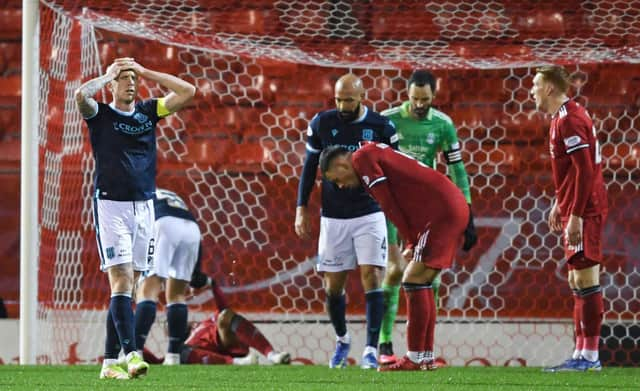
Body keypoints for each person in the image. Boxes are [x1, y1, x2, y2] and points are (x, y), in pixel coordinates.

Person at [75, 57, 195, 379]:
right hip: (111, 206)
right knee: (122, 280)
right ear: (113, 85)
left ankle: (108, 363)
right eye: (123, 79)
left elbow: (187, 91)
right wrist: (106, 75)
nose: (130, 83)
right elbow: (79, 96)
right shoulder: (100, 115)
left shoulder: (147, 113)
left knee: (127, 287)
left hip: (144, 208)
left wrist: (146, 70)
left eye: (133, 79)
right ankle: (131, 354)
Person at [319, 142, 469, 371]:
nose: (339, 186)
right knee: (422, 281)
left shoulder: (362, 160)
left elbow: (388, 203)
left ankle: (416, 357)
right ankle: (425, 356)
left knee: (413, 280)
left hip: (441, 210)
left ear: (341, 164)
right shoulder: (368, 154)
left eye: (336, 179)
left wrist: (410, 238)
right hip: (447, 204)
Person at [294, 74, 398, 369]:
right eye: (339, 99)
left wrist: (398, 213)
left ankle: (370, 351)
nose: (342, 105)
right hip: (333, 216)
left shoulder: (381, 127)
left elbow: (396, 171)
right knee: (333, 286)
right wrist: (301, 207)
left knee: (372, 276)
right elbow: (309, 167)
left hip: (370, 211)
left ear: (362, 96)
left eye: (349, 100)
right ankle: (342, 340)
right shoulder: (322, 124)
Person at [378, 70, 477, 363]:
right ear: (407, 94)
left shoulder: (443, 125)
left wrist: (468, 210)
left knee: (430, 277)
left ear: (434, 96)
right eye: (414, 98)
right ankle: (384, 344)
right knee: (394, 271)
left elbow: (457, 169)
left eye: (425, 99)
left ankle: (424, 350)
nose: (419, 104)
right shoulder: (389, 120)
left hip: (426, 208)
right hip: (394, 204)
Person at [530, 65, 608, 372]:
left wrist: (574, 215)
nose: (532, 91)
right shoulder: (561, 117)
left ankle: (590, 357)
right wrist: (557, 202)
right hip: (577, 204)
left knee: (587, 279)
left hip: (586, 209)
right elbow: (572, 171)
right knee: (577, 279)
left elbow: (585, 170)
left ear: (549, 88)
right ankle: (580, 354)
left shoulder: (570, 119)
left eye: (536, 85)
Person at [142, 272, 291, 366]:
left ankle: (272, 354)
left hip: (228, 341)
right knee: (181, 353)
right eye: (171, 326)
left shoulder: (203, 324)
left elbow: (225, 308)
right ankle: (238, 363)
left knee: (225, 315)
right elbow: (156, 362)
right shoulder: (184, 347)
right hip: (221, 356)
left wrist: (212, 284)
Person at [134, 188, 201, 365]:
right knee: (177, 294)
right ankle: (173, 356)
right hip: (192, 229)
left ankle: (134, 352)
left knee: (148, 288)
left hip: (163, 223)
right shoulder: (166, 193)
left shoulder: (133, 194)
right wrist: (197, 271)